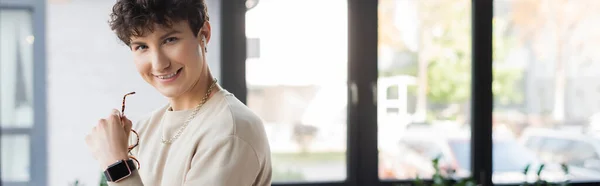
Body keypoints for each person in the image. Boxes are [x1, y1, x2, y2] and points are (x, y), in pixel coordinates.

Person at [84, 0, 272, 185]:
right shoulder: (143, 129)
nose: (159, 64)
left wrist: (116, 165)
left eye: (169, 40)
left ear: (204, 34)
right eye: (142, 46)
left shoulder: (230, 131)